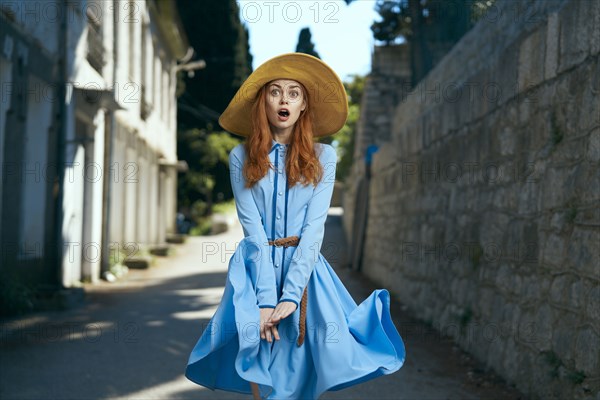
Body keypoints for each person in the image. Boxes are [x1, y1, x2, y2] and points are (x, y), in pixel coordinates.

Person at [184, 53, 406, 399]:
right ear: (263, 103)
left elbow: (314, 229)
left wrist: (290, 294)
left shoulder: (324, 157)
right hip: (254, 275)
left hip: (305, 279)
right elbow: (252, 230)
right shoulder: (240, 157)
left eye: (293, 93)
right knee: (258, 364)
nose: (284, 99)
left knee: (299, 378)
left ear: (304, 106)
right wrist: (264, 300)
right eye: (275, 92)